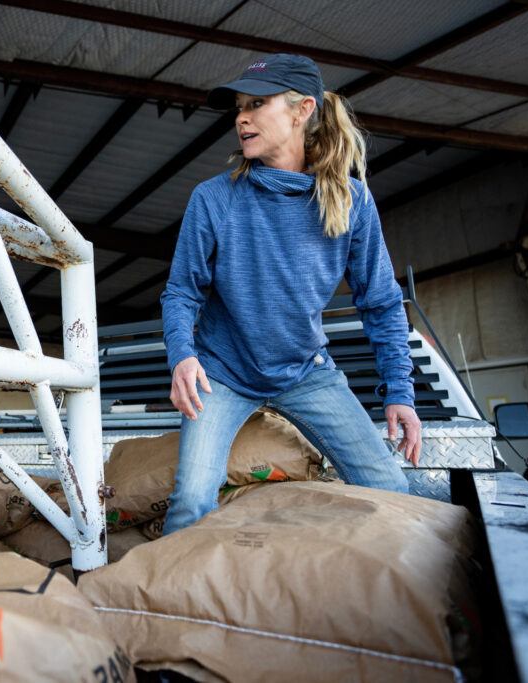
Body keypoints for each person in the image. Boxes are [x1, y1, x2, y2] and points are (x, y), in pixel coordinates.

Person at [160, 53, 421, 535]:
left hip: (305, 372)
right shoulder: (214, 199)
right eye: (239, 106)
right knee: (192, 500)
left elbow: (382, 303)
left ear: (302, 110)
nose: (242, 117)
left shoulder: (351, 200)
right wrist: (182, 355)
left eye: (257, 104)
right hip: (223, 372)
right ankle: (165, 603)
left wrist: (400, 392)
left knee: (391, 490)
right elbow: (181, 291)